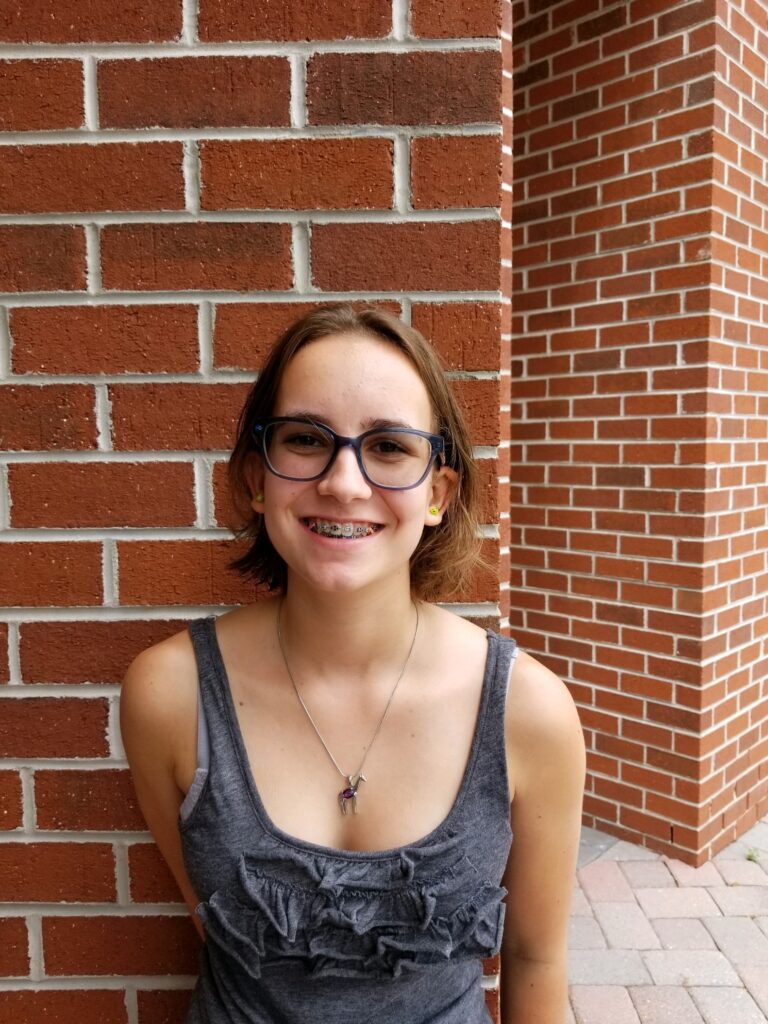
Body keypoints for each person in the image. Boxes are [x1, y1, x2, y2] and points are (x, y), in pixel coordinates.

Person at [121, 304, 585, 1024]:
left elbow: (535, 959)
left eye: (389, 446)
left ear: (437, 494)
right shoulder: (169, 695)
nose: (343, 482)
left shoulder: (528, 711)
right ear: (256, 478)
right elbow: (212, 925)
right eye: (306, 439)